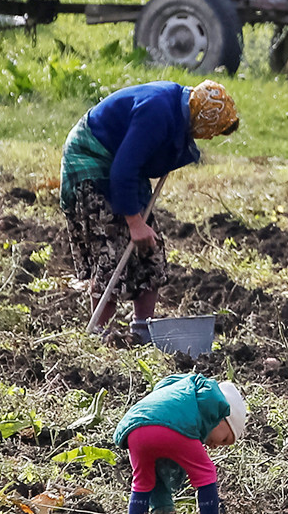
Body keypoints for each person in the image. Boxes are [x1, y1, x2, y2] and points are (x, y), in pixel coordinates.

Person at [60, 79, 238, 345]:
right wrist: (133, 222)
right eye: (211, 130)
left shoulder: (177, 109)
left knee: (150, 247)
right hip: (92, 160)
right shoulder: (157, 113)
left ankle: (143, 331)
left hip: (120, 164)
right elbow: (123, 169)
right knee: (113, 247)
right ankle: (99, 334)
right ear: (203, 118)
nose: (209, 137)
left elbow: (139, 161)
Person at [112, 373, 249, 514]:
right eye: (224, 439)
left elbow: (157, 475)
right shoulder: (211, 401)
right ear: (221, 416)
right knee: (206, 474)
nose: (216, 446)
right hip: (170, 427)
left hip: (134, 430)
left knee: (143, 482)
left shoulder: (182, 396)